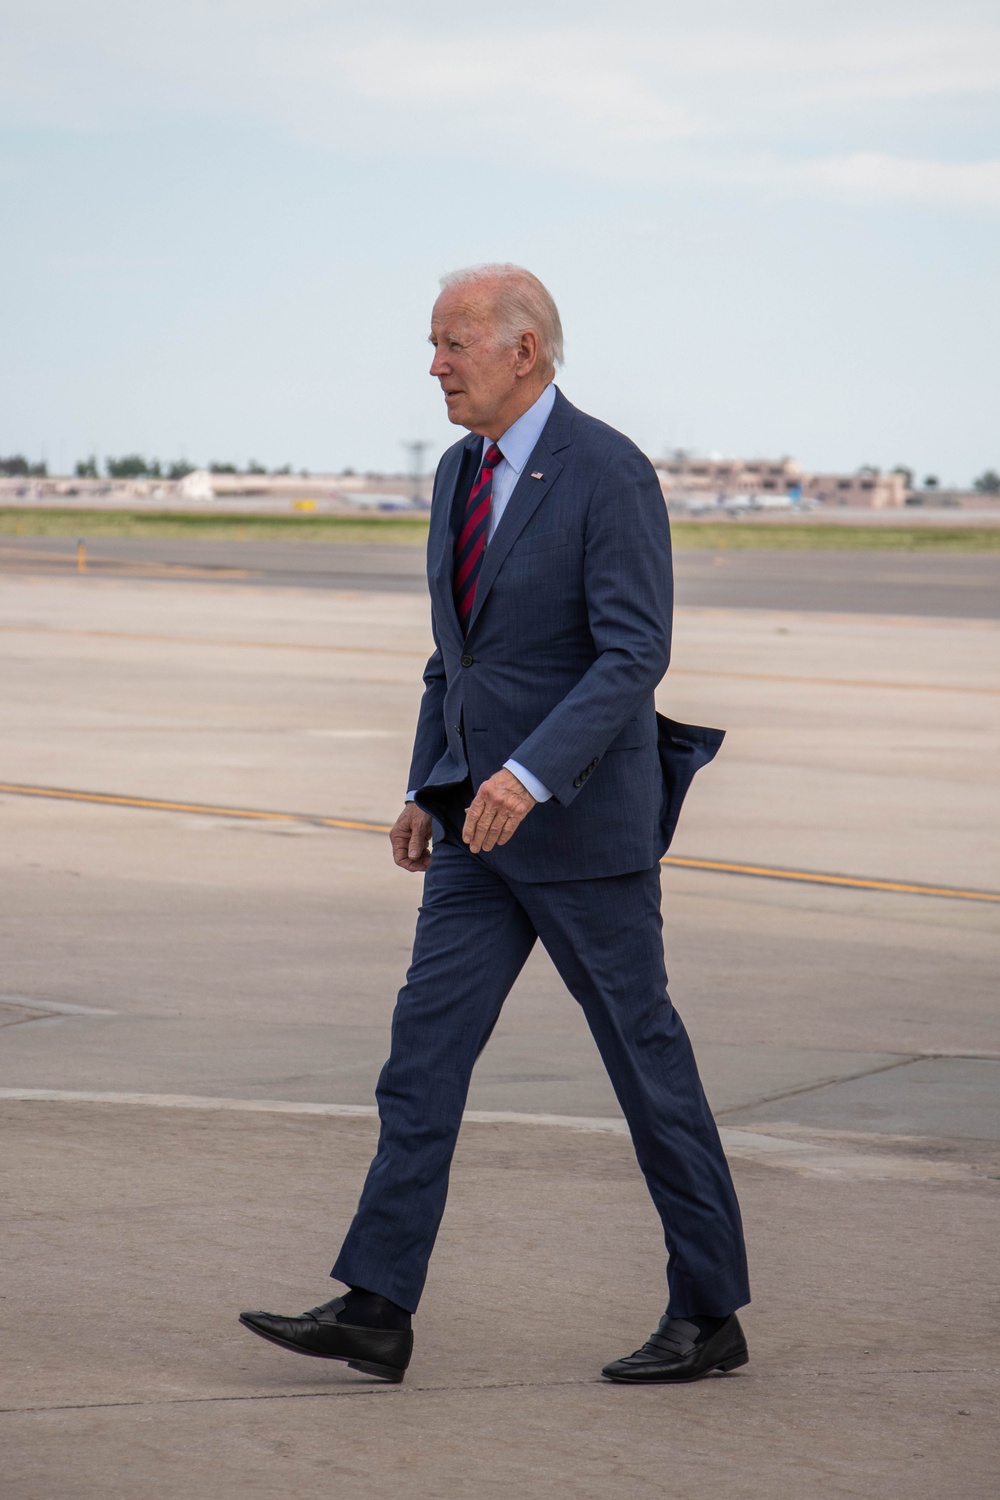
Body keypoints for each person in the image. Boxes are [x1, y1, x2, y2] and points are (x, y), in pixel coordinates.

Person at [240, 263, 750, 1384]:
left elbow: (632, 652)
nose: (435, 366)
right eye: (433, 345)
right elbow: (455, 655)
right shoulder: (455, 472)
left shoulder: (606, 471)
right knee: (420, 1059)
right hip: (475, 828)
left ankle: (709, 1310)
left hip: (577, 831)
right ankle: (377, 1306)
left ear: (524, 350)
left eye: (452, 343)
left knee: (643, 1065)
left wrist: (526, 772)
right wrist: (432, 783)